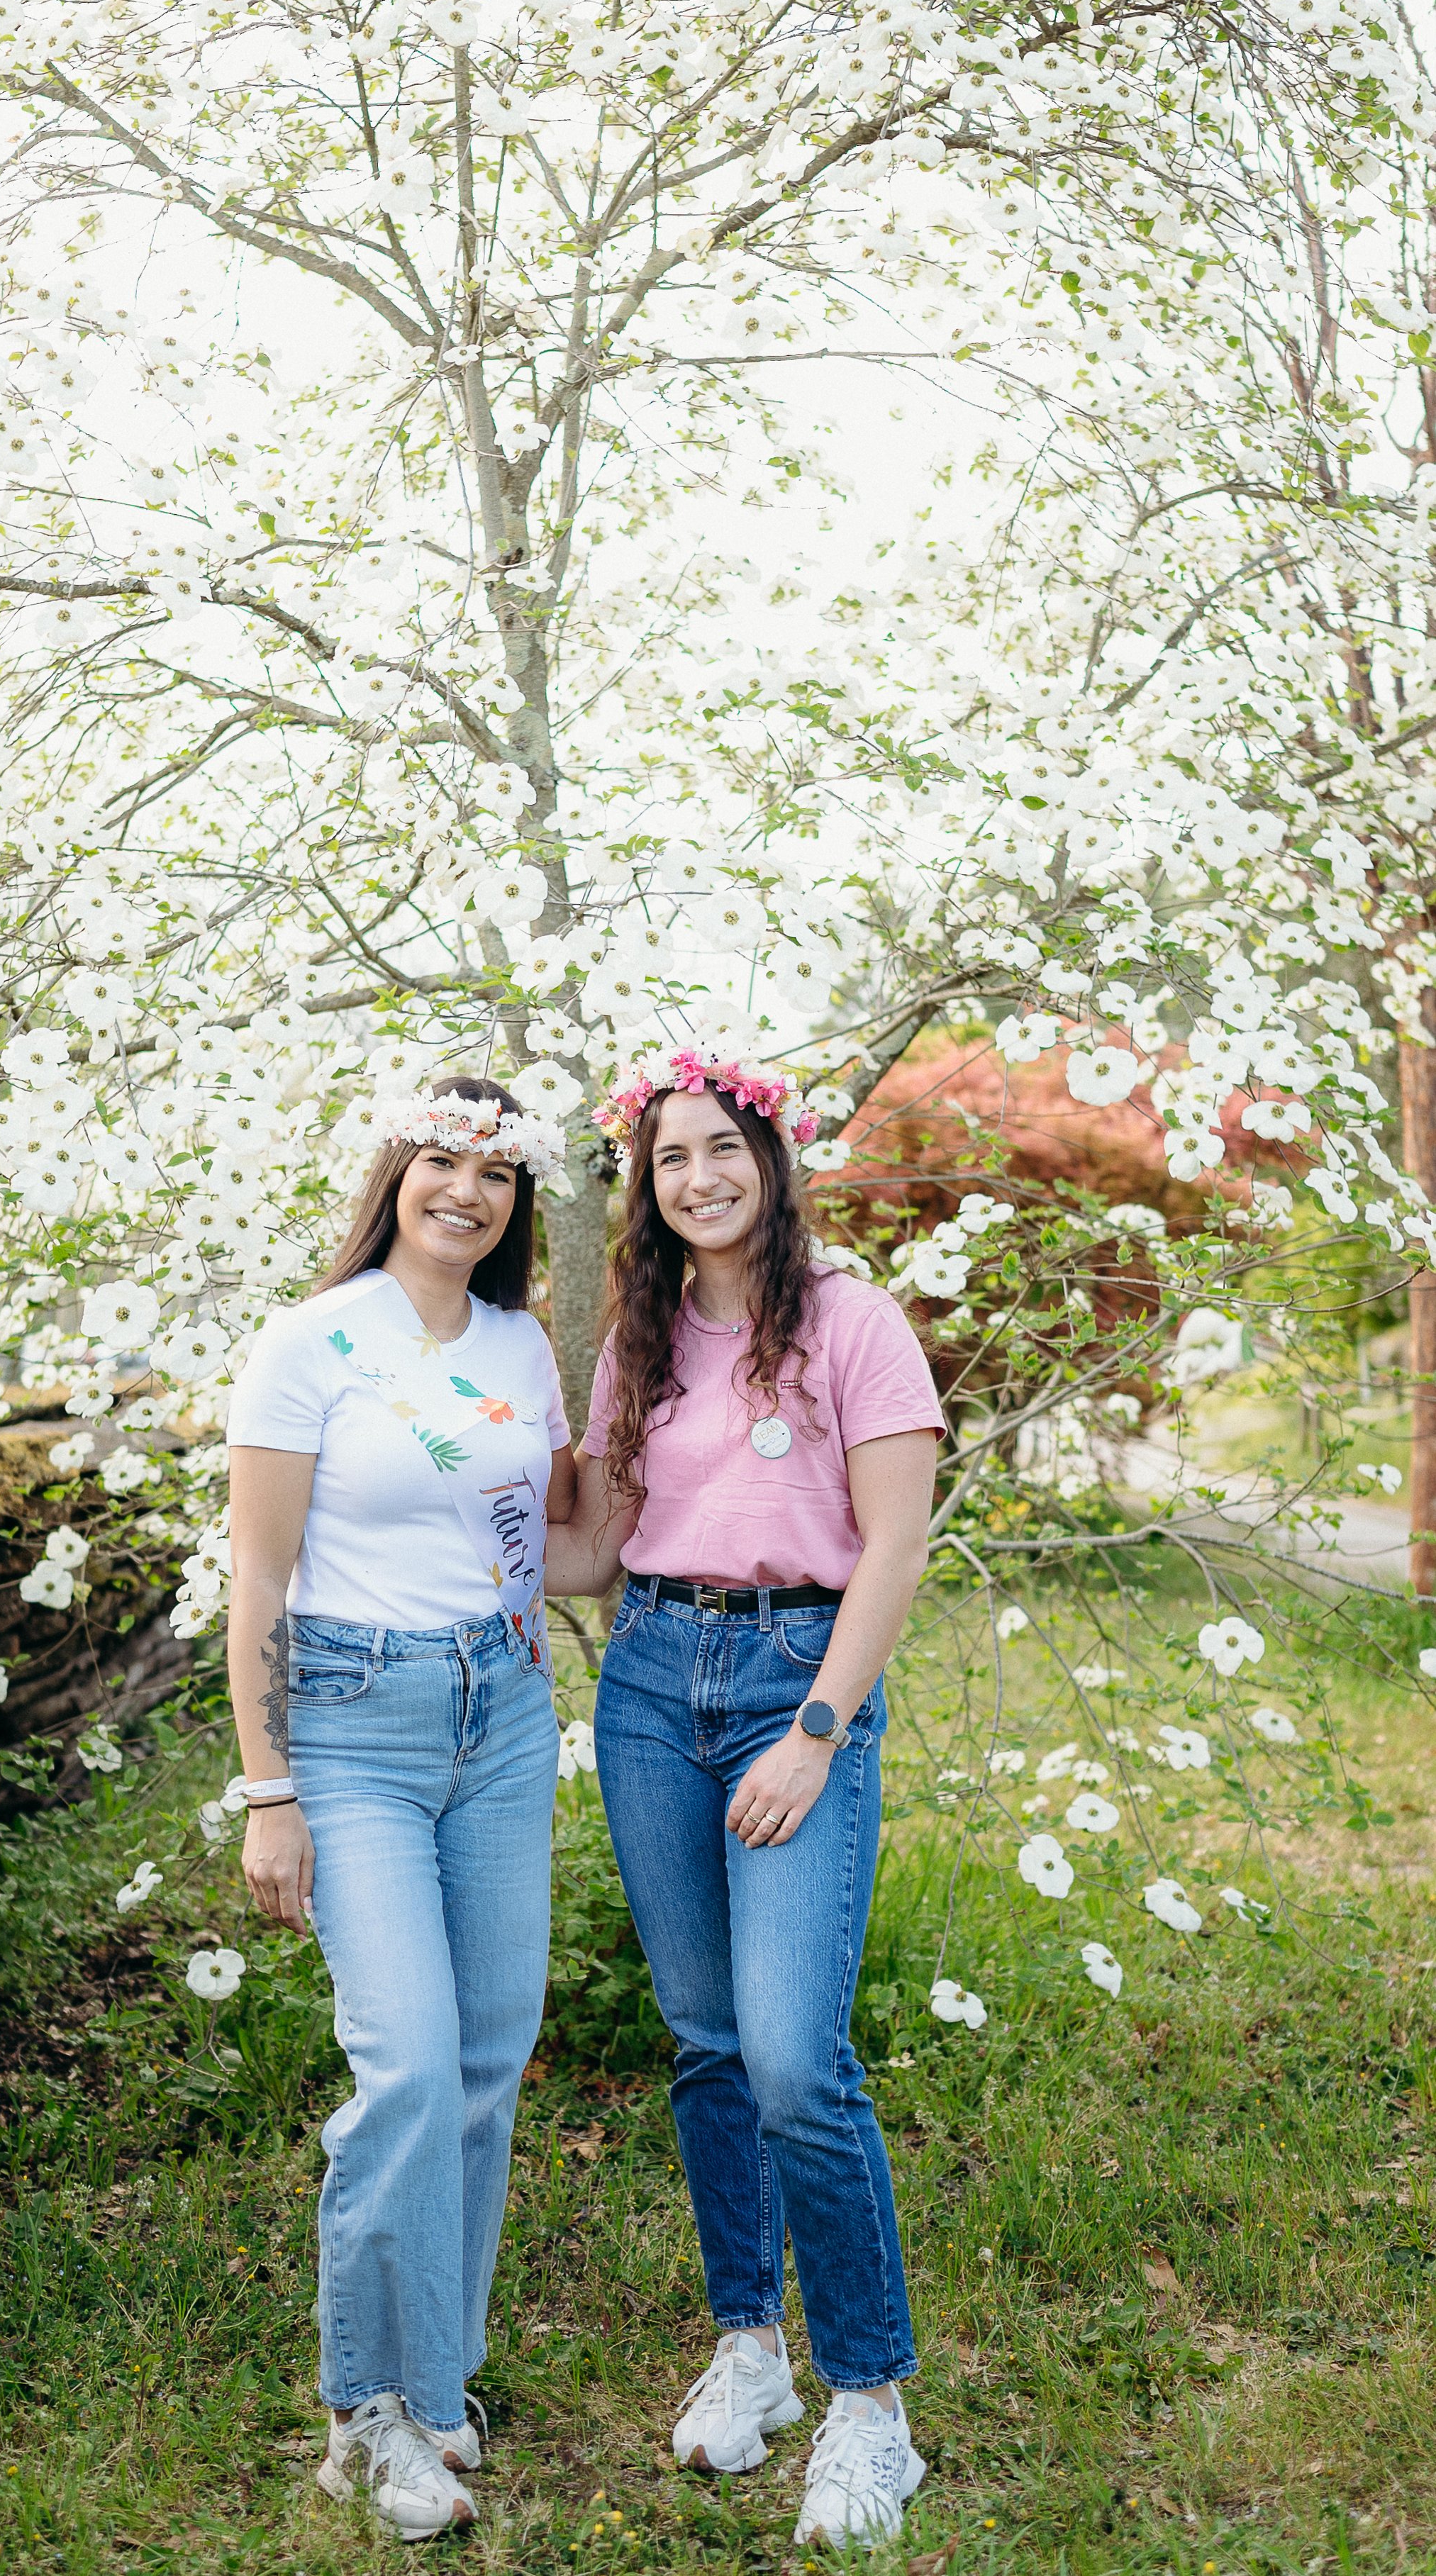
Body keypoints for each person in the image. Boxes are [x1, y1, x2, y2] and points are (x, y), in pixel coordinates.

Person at [545, 1047, 945, 2550]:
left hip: (796, 1680)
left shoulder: (851, 1321)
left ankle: (871, 2405)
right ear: (642, 1188)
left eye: (721, 1146)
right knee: (706, 2042)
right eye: (667, 1159)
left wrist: (817, 1730)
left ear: (768, 1160)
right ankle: (749, 2350)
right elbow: (592, 1551)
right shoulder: (637, 1339)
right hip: (651, 1677)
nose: (697, 1176)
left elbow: (892, 1546)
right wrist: (446, 1515)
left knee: (792, 2057)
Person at [226, 1074, 574, 2542]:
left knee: (489, 2055)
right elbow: (256, 1577)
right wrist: (269, 1787)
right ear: (397, 1169)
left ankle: (438, 2386)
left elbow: (547, 1546)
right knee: (410, 2065)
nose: (467, 1187)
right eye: (443, 1155)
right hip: (351, 1721)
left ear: (515, 1200)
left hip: (499, 1710)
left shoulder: (520, 1345)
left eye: (497, 1169)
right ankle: (357, 2403)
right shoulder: (313, 1341)